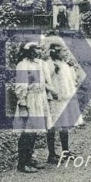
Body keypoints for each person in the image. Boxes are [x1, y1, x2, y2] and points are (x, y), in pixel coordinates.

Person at [12, 42, 54, 173]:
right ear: (29, 50)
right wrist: (23, 104)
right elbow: (20, 86)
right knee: (27, 132)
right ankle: (22, 163)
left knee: (34, 131)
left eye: (39, 48)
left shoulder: (38, 63)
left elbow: (45, 79)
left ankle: (29, 159)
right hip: (29, 100)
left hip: (39, 99)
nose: (39, 51)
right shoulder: (23, 65)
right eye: (36, 49)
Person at [45, 38, 84, 163]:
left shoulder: (65, 64)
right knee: (52, 126)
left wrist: (72, 67)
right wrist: (52, 92)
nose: (66, 53)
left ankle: (65, 151)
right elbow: (44, 81)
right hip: (56, 99)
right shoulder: (50, 64)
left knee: (64, 125)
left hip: (66, 98)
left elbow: (72, 80)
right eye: (63, 51)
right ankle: (51, 154)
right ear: (56, 52)